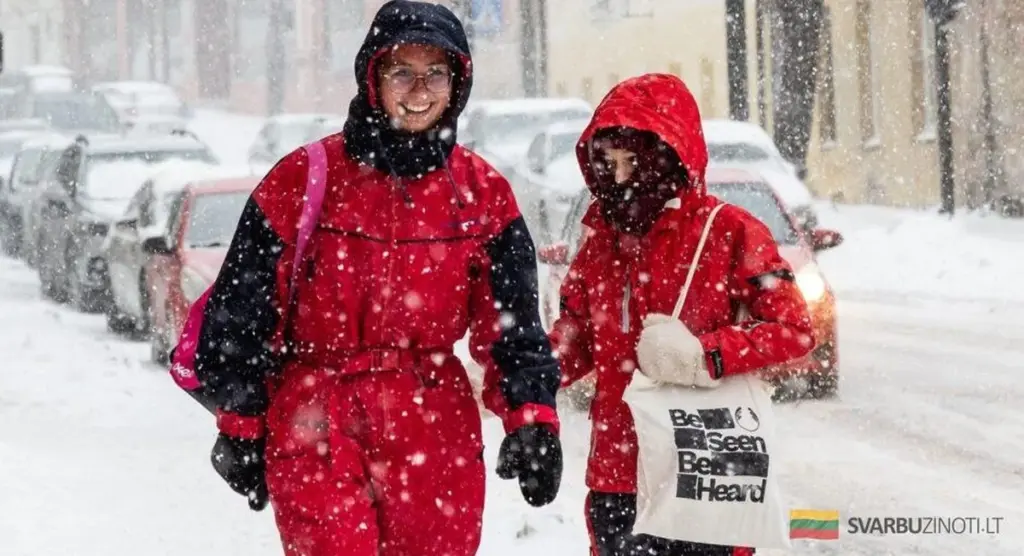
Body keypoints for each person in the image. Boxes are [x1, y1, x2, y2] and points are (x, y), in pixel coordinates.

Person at [189, 2, 562, 555]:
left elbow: (514, 327)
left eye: (436, 73)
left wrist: (531, 418)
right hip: (318, 415)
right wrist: (239, 419)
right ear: (372, 78)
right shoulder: (304, 178)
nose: (420, 90)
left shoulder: (483, 194)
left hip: (435, 426)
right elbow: (241, 311)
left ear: (457, 81)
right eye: (401, 72)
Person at [549, 73, 815, 556]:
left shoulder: (731, 233)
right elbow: (572, 343)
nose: (623, 178)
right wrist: (523, 391)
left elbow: (794, 330)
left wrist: (705, 356)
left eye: (636, 161)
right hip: (619, 476)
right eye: (609, 163)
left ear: (673, 159)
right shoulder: (601, 247)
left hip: (704, 467)